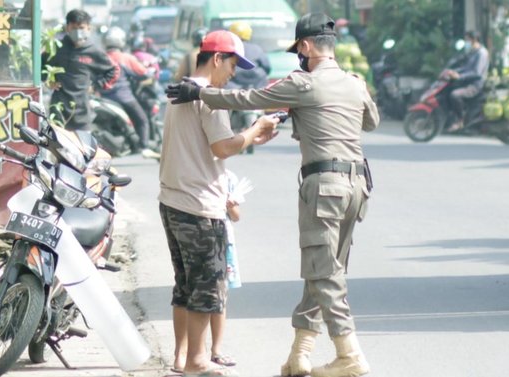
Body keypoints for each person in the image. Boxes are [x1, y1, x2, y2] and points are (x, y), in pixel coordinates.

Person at [165, 12, 379, 377]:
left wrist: (200, 92)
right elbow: (369, 121)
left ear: (307, 47)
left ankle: (350, 352)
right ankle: (300, 354)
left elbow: (249, 97)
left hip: (324, 188)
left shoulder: (303, 83)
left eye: (299, 49)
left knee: (324, 272)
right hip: (358, 187)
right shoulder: (355, 83)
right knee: (323, 269)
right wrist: (310, 113)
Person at [159, 29, 279, 376]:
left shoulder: (179, 90)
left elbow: (208, 145)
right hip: (199, 206)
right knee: (205, 288)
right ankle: (198, 361)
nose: (233, 73)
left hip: (172, 200)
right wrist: (256, 129)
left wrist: (254, 134)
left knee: (183, 285)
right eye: (231, 65)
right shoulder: (212, 97)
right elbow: (222, 147)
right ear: (216, 59)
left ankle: (181, 359)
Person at [41, 9, 119, 130]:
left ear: (89, 28)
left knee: (83, 147)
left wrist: (95, 87)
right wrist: (48, 81)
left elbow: (114, 71)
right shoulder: (56, 47)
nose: (78, 32)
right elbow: (40, 67)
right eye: (74, 28)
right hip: (58, 110)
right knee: (57, 146)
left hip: (82, 111)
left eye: (81, 27)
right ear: (67, 28)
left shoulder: (94, 51)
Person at [100, 26, 159, 155]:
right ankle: (144, 146)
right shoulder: (125, 57)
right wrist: (150, 71)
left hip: (102, 97)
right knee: (142, 119)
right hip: (123, 97)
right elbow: (142, 73)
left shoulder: (101, 57)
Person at [208, 169, 244, 368]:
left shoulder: (230, 177)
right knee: (201, 297)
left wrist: (230, 206)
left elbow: (237, 216)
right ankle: (193, 353)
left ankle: (216, 350)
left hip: (224, 242)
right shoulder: (195, 171)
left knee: (220, 298)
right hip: (202, 239)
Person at [440, 30, 489, 131]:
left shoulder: (482, 53)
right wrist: (451, 72)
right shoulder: (472, 52)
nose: (466, 42)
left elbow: (476, 72)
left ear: (474, 39)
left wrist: (459, 76)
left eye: (467, 39)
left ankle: (460, 120)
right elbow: (465, 68)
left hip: (475, 85)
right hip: (466, 82)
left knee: (455, 95)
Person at [226, 21, 271, 90]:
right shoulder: (257, 49)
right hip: (256, 90)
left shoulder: (226, 48)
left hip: (231, 91)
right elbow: (267, 68)